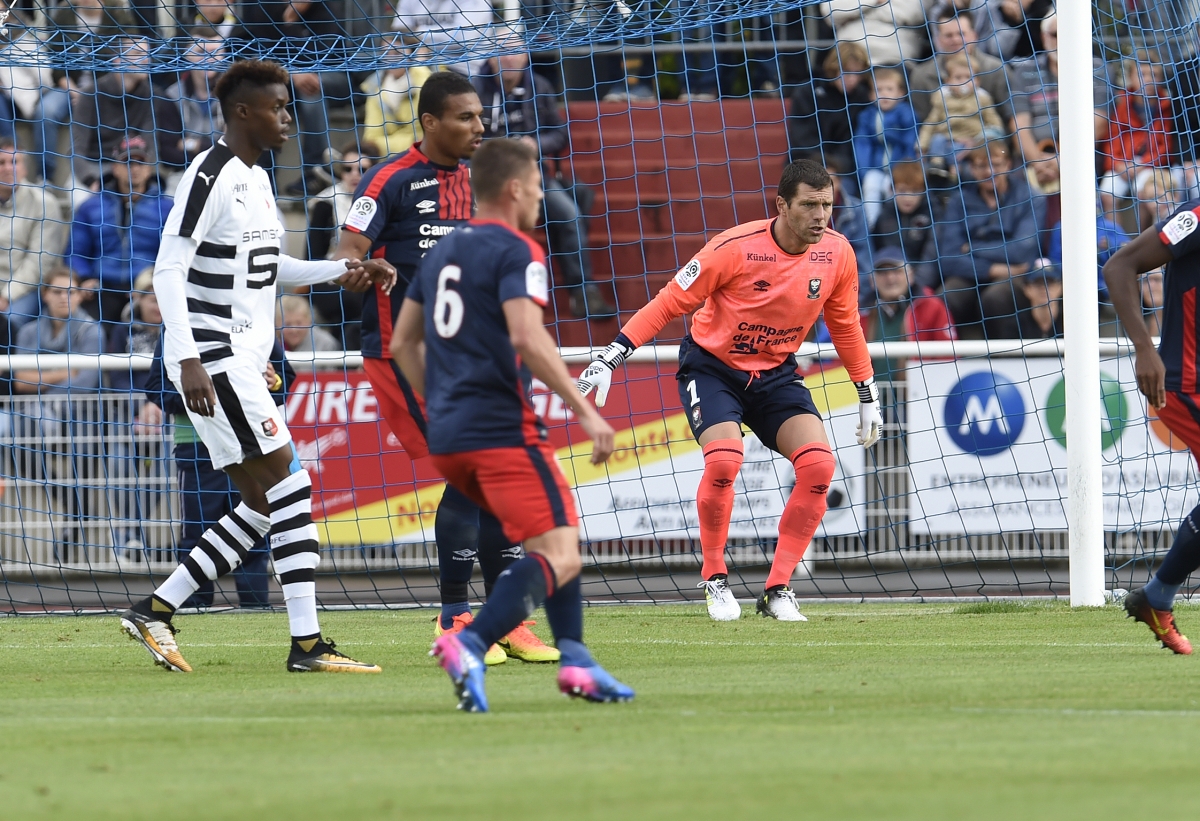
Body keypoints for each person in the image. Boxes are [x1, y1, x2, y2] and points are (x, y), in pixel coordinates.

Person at [118, 59, 394, 674]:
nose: (288, 118)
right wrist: (188, 357)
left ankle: (155, 610)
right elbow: (168, 268)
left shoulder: (259, 179)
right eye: (277, 107)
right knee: (291, 488)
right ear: (243, 112)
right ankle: (307, 644)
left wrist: (344, 269)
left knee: (266, 502)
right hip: (213, 360)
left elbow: (273, 269)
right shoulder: (208, 175)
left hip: (239, 361)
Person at [576, 159, 883, 622]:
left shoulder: (838, 253)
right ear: (781, 205)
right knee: (724, 460)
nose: (821, 215)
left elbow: (845, 326)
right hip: (713, 369)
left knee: (820, 466)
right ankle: (716, 579)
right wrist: (611, 357)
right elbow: (668, 303)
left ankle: (778, 589)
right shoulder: (733, 248)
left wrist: (866, 393)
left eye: (827, 205)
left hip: (775, 373)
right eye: (809, 205)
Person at [392, 137, 633, 712]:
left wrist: (440, 402)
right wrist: (585, 410)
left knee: (552, 541)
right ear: (515, 188)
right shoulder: (518, 250)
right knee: (562, 550)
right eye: (537, 187)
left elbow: (401, 343)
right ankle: (469, 641)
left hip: (450, 433)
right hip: (500, 427)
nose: (542, 198)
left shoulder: (443, 251)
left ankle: (575, 661)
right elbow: (527, 335)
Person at [334, 71, 558, 665]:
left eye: (480, 116)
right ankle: (456, 614)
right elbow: (347, 251)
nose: (479, 126)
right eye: (465, 117)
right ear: (430, 122)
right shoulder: (389, 179)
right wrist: (360, 267)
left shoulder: (483, 183)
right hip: (405, 356)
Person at [1102, 196, 1200, 655]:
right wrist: (1145, 348)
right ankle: (1157, 595)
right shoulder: (1194, 218)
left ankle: (1157, 596)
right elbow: (1119, 266)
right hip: (1186, 384)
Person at [138, 335, 295, 609]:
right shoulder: (175, 330)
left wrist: (274, 383)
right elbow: (156, 386)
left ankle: (256, 610)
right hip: (197, 448)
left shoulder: (252, 321)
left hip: (250, 444)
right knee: (196, 533)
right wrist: (198, 395)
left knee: (255, 531)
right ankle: (194, 608)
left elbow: (284, 377)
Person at [473, 49, 616, 319]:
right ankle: (485, 294)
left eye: (515, 53)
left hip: (534, 178)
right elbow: (468, 137)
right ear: (490, 59)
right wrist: (496, 150)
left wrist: (536, 144)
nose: (509, 59)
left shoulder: (539, 86)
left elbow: (560, 133)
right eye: (503, 53)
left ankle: (583, 294)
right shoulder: (476, 89)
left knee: (570, 215)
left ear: (525, 57)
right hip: (488, 180)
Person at [935, 138, 1042, 335]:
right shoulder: (959, 201)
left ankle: (1006, 354)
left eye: (996, 164)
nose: (990, 172)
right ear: (972, 169)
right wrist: (993, 269)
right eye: (982, 166)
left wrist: (972, 248)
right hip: (981, 271)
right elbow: (948, 258)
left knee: (996, 298)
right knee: (945, 297)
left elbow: (1021, 251)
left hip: (1017, 276)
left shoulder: (1030, 197)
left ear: (1008, 165)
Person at [66, 136, 174, 325]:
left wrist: (154, 281)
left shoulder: (167, 208)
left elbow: (174, 254)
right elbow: (75, 252)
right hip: (102, 286)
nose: (134, 169)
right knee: (86, 329)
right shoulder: (90, 207)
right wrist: (84, 278)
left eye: (140, 163)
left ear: (149, 168)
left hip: (148, 288)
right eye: (128, 163)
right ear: (115, 168)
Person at [71, 35, 186, 191]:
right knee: (80, 196)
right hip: (94, 168)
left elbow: (149, 144)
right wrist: (91, 181)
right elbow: (76, 150)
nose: (146, 60)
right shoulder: (90, 94)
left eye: (147, 54)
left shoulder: (151, 95)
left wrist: (142, 177)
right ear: (118, 60)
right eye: (138, 54)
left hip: (133, 167)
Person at [858, 247, 955, 380]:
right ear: (872, 280)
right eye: (882, 273)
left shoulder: (932, 306)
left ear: (910, 275)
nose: (890, 278)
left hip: (921, 389)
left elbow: (948, 356)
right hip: (867, 391)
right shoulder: (859, 312)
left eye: (896, 271)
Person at [907, 6, 1012, 129]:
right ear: (938, 40)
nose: (956, 40)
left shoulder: (997, 70)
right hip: (943, 137)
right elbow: (923, 121)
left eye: (961, 34)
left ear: (974, 36)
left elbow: (1009, 118)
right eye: (948, 35)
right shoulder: (921, 76)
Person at [0, 138, 66, 327]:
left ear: (24, 168)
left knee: (6, 323)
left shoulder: (44, 204)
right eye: (1, 162)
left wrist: (6, 295)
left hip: (26, 289)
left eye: (14, 161)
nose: (8, 168)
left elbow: (39, 263)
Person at [12, 267, 104, 395]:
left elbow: (84, 383)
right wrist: (66, 373)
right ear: (45, 295)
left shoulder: (92, 331)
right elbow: (21, 382)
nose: (64, 297)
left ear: (79, 296)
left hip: (78, 406)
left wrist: (43, 396)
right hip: (32, 406)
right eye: (57, 292)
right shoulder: (28, 331)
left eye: (70, 292)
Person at [788, 42, 873, 173]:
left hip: (846, 170)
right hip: (807, 167)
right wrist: (823, 167)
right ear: (833, 69)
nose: (852, 79)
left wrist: (837, 168)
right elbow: (802, 139)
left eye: (857, 73)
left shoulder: (862, 97)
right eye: (846, 72)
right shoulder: (807, 92)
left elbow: (853, 143)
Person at [852, 67, 919, 228]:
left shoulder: (907, 114)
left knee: (892, 193)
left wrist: (905, 170)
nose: (884, 94)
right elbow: (862, 145)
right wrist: (864, 171)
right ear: (871, 95)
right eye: (878, 90)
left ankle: (892, 228)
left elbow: (910, 144)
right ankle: (871, 227)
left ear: (901, 93)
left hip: (898, 170)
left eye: (889, 89)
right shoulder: (867, 116)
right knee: (870, 186)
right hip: (875, 169)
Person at [916, 53, 1005, 165]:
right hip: (947, 139)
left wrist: (979, 140)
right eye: (958, 78)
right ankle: (937, 165)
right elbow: (930, 124)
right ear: (948, 81)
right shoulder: (942, 99)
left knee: (962, 152)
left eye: (969, 77)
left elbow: (995, 124)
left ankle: (956, 169)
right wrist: (922, 146)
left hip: (972, 142)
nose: (964, 81)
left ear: (977, 81)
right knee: (937, 140)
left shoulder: (982, 99)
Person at [359, 36, 431, 158]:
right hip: (391, 157)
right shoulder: (374, 89)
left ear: (412, 54)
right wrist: (410, 141)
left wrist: (419, 67)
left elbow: (427, 138)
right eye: (386, 53)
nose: (391, 59)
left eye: (397, 53)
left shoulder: (426, 83)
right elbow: (371, 139)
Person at [871, 160, 938, 285]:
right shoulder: (885, 215)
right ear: (892, 190)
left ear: (924, 191)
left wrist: (914, 286)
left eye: (915, 191)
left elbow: (931, 257)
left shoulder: (933, 214)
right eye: (902, 190)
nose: (908, 197)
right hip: (890, 280)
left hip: (921, 283)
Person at [823, 0, 928, 66]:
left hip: (894, 57)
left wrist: (857, 11)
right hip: (851, 55)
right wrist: (875, 2)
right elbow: (830, 10)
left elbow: (912, 12)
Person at [980, 256, 1062, 339]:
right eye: (1038, 283)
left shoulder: (1067, 323)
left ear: (1060, 287)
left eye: (1049, 282)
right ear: (1027, 289)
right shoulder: (1015, 326)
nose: (1044, 288)